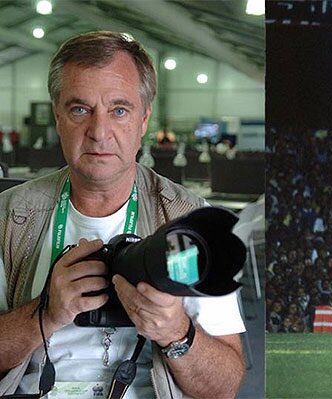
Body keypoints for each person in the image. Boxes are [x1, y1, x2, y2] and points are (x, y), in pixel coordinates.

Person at [0, 31, 245, 398]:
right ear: (57, 116)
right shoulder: (9, 217)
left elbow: (225, 387)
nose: (99, 132)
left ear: (144, 119)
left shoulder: (191, 223)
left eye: (119, 110)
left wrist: (176, 332)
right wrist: (45, 314)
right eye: (80, 109)